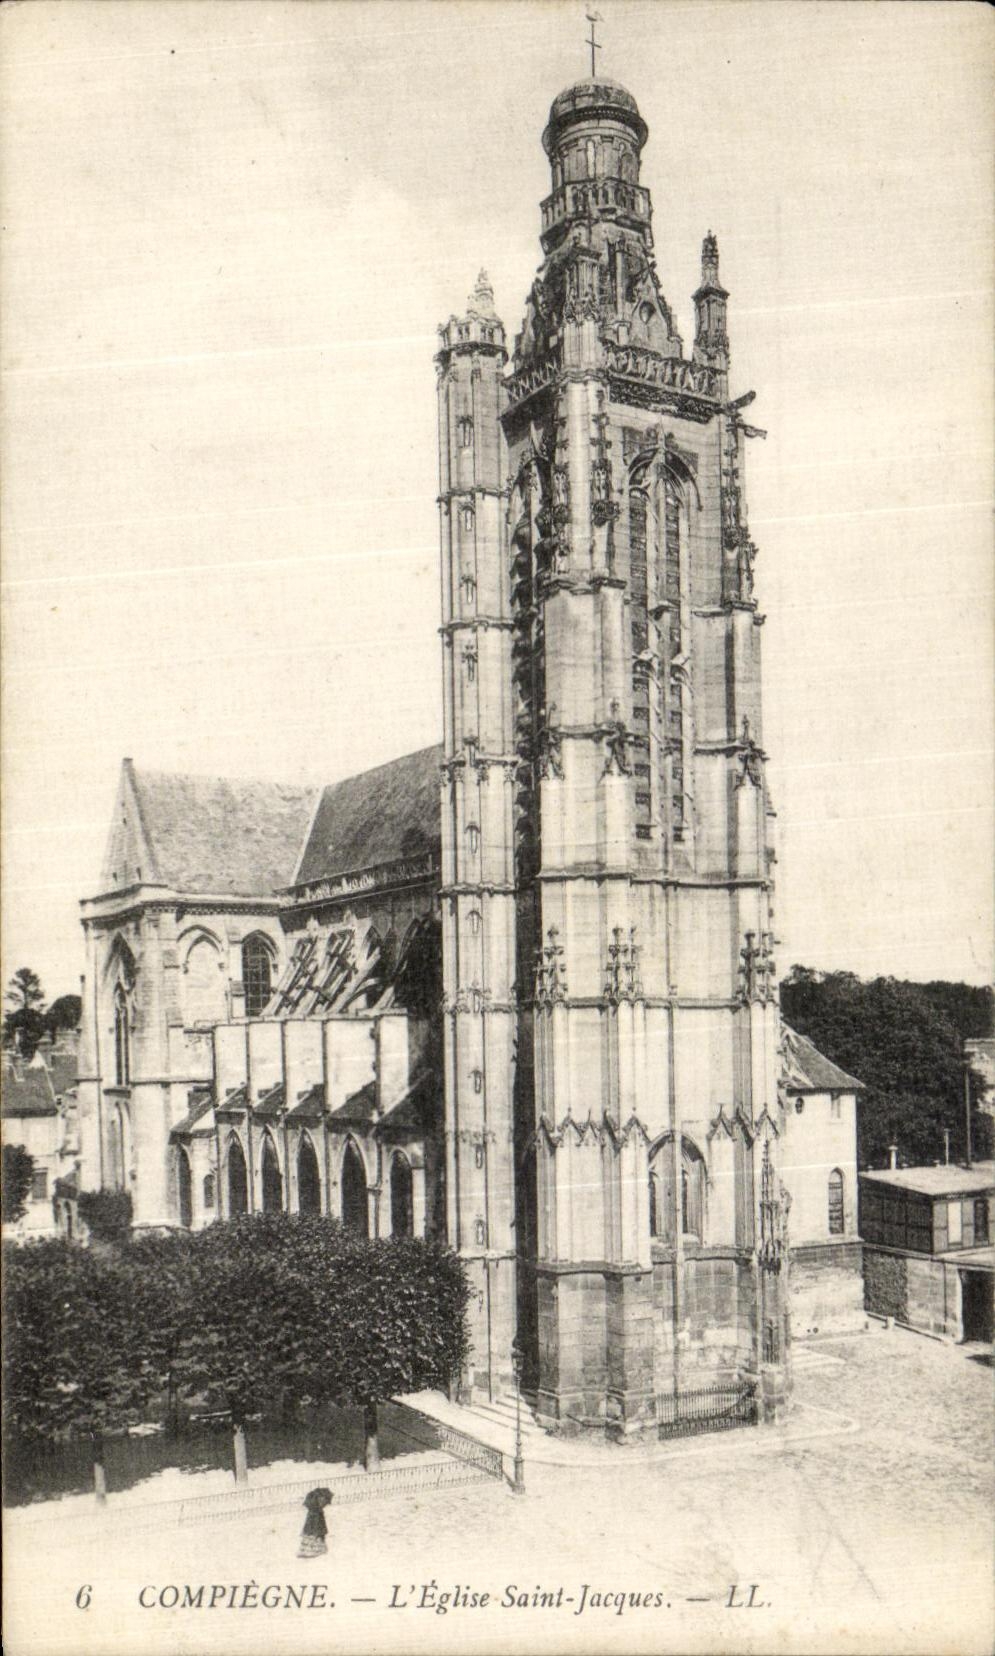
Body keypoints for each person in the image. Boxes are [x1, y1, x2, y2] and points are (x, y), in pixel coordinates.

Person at [298, 1487, 332, 1558]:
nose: (325, 1504)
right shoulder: (317, 1510)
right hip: (315, 1523)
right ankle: (315, 1550)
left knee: (312, 1535)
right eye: (325, 1502)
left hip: (312, 1522)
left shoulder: (313, 1507)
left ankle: (311, 1550)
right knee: (314, 1536)